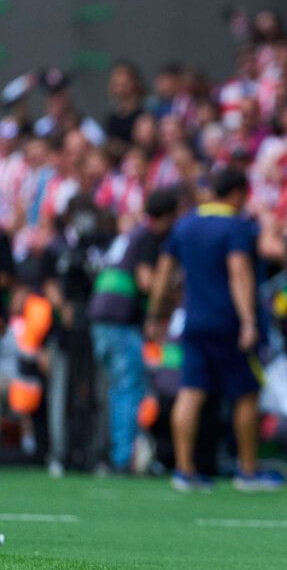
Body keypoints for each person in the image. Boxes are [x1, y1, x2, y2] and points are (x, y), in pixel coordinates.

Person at [148, 169, 284, 493]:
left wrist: (155, 315)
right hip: (228, 322)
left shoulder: (186, 224)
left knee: (191, 391)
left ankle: (184, 470)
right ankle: (248, 471)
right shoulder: (237, 227)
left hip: (193, 320)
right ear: (237, 193)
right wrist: (249, 320)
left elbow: (164, 271)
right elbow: (239, 271)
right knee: (246, 393)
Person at [88, 188, 179, 474]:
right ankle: (123, 458)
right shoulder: (149, 237)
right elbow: (145, 281)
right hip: (119, 319)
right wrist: (173, 297)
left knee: (117, 390)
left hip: (100, 315)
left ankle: (117, 454)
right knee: (129, 389)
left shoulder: (131, 233)